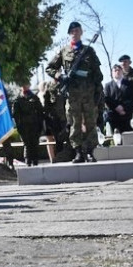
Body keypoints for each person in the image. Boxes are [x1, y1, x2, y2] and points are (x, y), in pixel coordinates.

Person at [45, 22, 104, 163]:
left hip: (88, 94)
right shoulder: (64, 51)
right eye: (72, 31)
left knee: (90, 123)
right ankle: (78, 152)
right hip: (72, 95)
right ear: (69, 33)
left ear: (81, 32)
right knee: (74, 123)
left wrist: (98, 92)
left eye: (77, 30)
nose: (75, 33)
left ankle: (89, 152)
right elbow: (50, 68)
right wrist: (60, 76)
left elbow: (98, 75)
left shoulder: (89, 51)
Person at [11, 83, 45, 166]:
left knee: (34, 143)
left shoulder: (34, 98)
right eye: (23, 85)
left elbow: (40, 111)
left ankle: (35, 160)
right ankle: (28, 160)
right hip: (24, 125)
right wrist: (19, 124)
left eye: (26, 84)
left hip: (34, 124)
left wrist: (40, 123)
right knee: (27, 143)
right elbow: (15, 114)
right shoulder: (18, 99)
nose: (24, 86)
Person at [104, 64, 133, 134]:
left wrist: (124, 108)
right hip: (114, 116)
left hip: (128, 115)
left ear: (122, 71)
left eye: (119, 70)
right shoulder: (108, 85)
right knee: (118, 138)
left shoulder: (129, 83)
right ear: (112, 73)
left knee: (130, 136)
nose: (117, 72)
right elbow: (106, 99)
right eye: (115, 70)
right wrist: (116, 107)